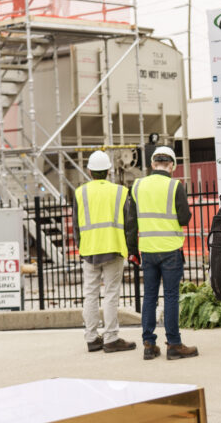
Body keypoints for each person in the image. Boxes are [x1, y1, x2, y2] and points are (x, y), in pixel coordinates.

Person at [131, 146, 197, 360]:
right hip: (170, 249)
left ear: (152, 164)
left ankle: (149, 344)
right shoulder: (175, 186)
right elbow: (184, 219)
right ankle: (174, 344)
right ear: (171, 165)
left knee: (149, 297)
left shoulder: (137, 185)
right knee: (170, 297)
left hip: (147, 250)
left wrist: (133, 250)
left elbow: (131, 222)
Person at [73, 150, 138, 353]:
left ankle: (92, 338)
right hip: (114, 249)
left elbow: (75, 224)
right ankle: (111, 338)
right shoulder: (119, 191)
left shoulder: (80, 192)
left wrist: (80, 246)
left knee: (90, 294)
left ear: (89, 171)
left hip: (90, 250)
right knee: (111, 294)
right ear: (109, 171)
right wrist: (131, 248)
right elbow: (130, 223)